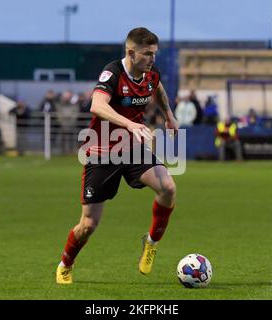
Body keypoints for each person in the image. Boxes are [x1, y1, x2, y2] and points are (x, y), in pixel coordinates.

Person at [56, 27, 179, 284]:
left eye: (155, 54)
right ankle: (66, 263)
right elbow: (97, 106)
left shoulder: (150, 73)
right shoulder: (113, 73)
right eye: (147, 54)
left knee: (168, 187)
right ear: (131, 53)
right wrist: (130, 124)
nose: (152, 59)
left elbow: (158, 87)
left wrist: (169, 116)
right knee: (88, 224)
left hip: (133, 149)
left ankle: (152, 242)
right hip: (101, 153)